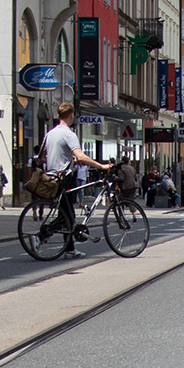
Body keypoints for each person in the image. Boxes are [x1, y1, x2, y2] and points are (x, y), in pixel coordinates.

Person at [40, 104, 107, 257]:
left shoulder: (50, 133)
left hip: (51, 177)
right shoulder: (69, 134)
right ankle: (41, 236)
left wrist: (66, 159)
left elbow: (42, 157)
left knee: (67, 214)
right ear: (71, 116)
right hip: (64, 177)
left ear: (58, 115)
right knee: (67, 215)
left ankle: (69, 248)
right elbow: (81, 156)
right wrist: (101, 166)